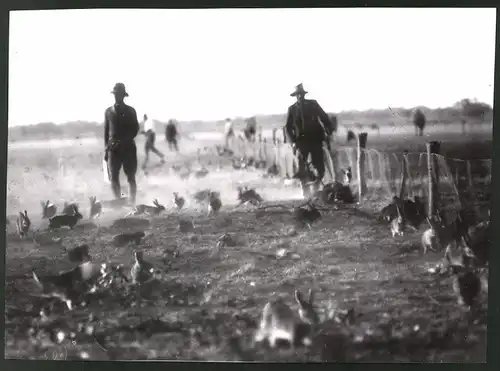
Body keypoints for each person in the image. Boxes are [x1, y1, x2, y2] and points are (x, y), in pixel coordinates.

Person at [285, 83, 335, 198]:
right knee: (302, 168)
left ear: (304, 95)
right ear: (295, 96)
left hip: (315, 140)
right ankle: (305, 192)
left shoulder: (313, 104)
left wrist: (329, 130)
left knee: (320, 167)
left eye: (301, 94)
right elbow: (287, 127)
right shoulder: (292, 109)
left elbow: (324, 117)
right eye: (298, 95)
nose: (300, 97)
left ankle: (317, 188)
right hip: (301, 143)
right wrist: (292, 142)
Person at [104, 82, 140, 205]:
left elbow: (135, 130)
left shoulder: (131, 111)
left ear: (123, 95)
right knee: (113, 177)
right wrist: (106, 150)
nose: (116, 96)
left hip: (128, 148)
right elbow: (106, 132)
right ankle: (118, 202)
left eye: (119, 94)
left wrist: (123, 141)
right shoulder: (108, 111)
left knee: (131, 176)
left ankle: (132, 203)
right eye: (115, 94)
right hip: (112, 149)